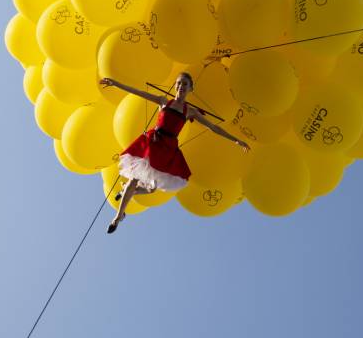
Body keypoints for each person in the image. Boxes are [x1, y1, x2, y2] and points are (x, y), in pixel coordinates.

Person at [99, 71, 250, 233]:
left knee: (151, 189)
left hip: (168, 148)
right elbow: (139, 92)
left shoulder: (190, 111)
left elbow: (213, 127)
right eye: (178, 83)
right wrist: (116, 84)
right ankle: (118, 216)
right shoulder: (164, 101)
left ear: (190, 88)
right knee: (134, 178)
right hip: (153, 142)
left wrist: (235, 139)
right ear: (175, 86)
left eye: (185, 84)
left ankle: (126, 191)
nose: (181, 86)